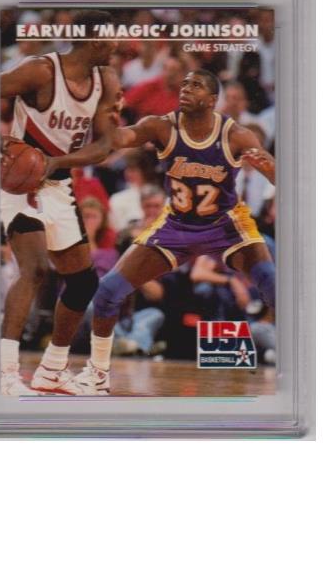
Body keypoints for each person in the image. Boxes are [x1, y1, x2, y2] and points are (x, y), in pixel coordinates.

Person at [72, 69, 277, 394]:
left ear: (212, 100)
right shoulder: (161, 126)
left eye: (196, 85)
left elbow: (281, 178)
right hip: (177, 224)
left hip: (224, 223)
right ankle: (96, 373)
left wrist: (271, 170)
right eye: (184, 84)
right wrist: (106, 115)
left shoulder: (236, 135)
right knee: (108, 290)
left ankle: (303, 364)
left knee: (273, 284)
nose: (186, 88)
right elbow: (119, 140)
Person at [0, 10, 121, 395]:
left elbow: (105, 144)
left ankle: (51, 370)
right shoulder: (40, 71)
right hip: (18, 183)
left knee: (83, 282)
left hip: (58, 183)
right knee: (34, 268)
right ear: (95, 39)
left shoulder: (106, 80)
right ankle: (6, 374)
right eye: (113, 38)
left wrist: (57, 163)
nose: (118, 46)